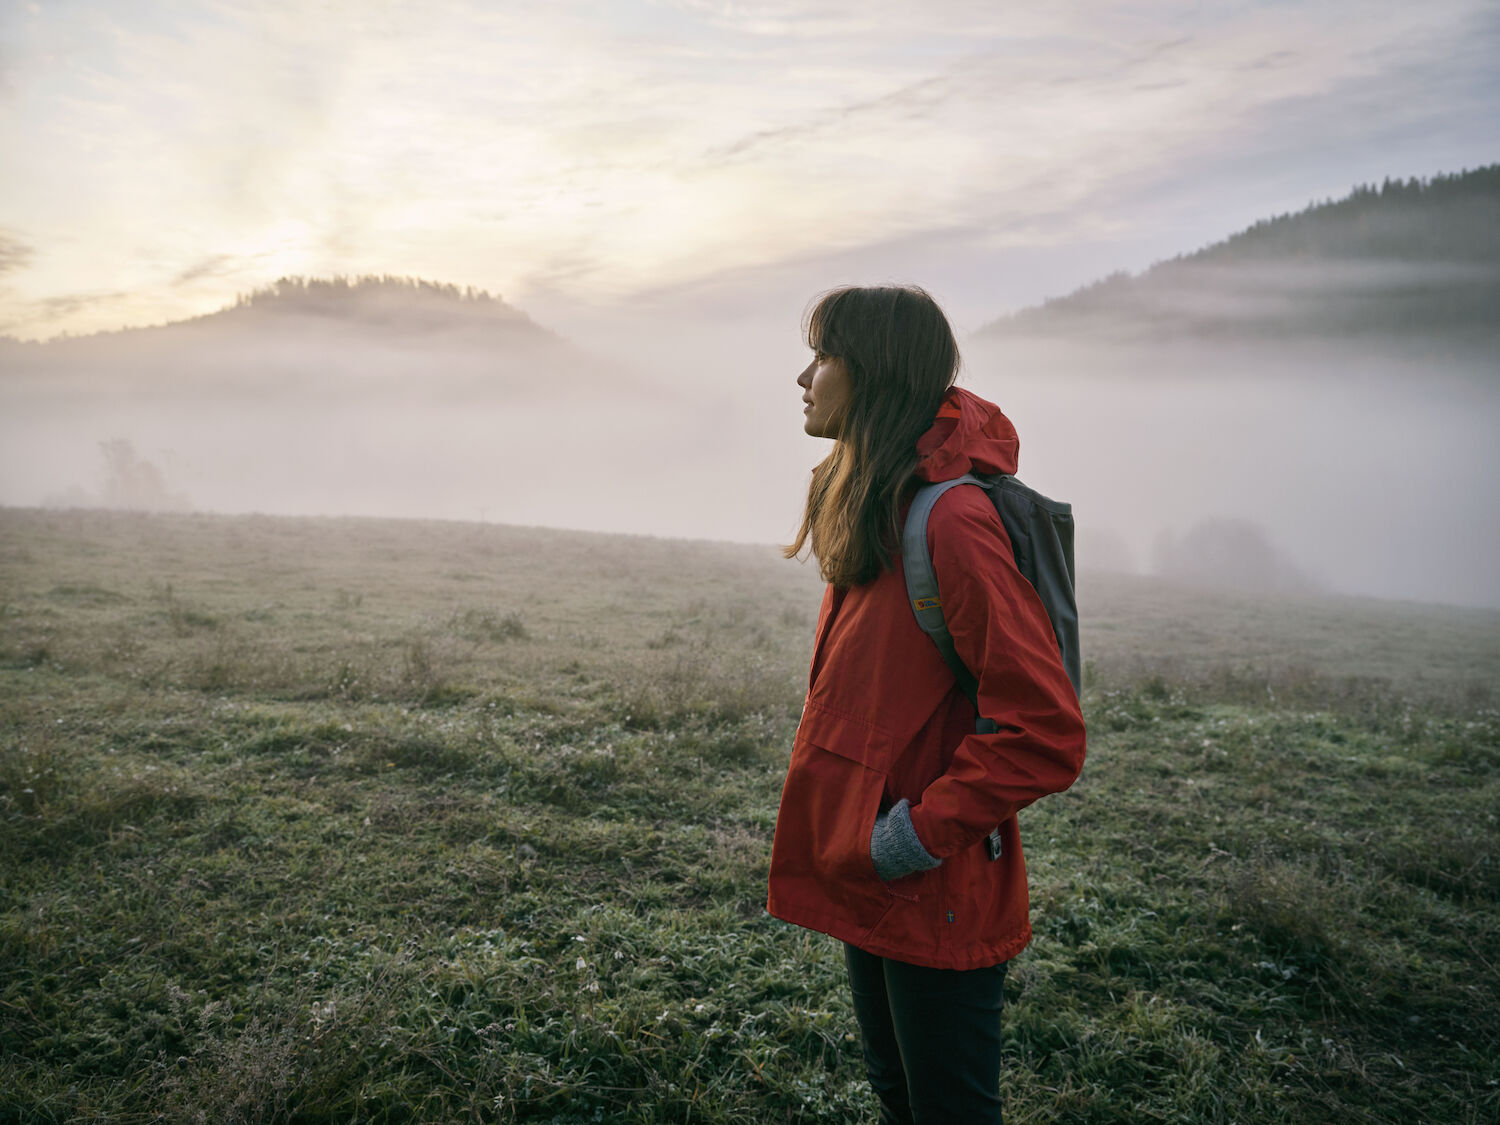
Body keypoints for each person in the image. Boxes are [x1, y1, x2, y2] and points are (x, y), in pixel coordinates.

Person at [766, 285, 1087, 1124]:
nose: (804, 377)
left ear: (871, 374)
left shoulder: (951, 523)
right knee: (899, 1100)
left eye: (823, 356)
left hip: (930, 879)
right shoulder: (875, 497)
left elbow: (1045, 732)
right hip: (871, 869)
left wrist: (909, 836)